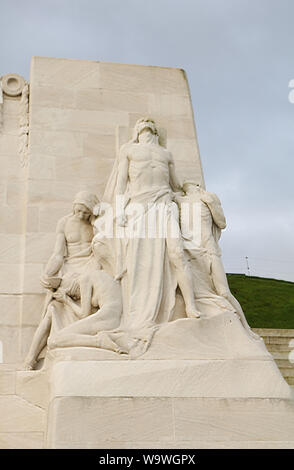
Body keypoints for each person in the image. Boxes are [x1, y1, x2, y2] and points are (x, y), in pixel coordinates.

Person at [103, 117, 200, 334]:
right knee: (138, 259)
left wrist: (193, 191)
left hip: (164, 204)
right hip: (139, 205)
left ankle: (191, 304)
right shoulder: (128, 150)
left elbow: (175, 183)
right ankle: (138, 310)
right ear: (137, 131)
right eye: (141, 123)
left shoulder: (166, 154)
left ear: (155, 131)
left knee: (177, 252)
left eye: (148, 122)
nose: (145, 123)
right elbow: (120, 182)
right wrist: (118, 210)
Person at [24, 191, 99, 369]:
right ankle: (31, 358)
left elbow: (101, 252)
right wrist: (48, 274)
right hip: (69, 270)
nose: (81, 215)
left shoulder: (96, 225)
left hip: (89, 272)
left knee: (61, 309)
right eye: (78, 210)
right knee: (52, 310)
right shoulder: (64, 223)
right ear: (74, 206)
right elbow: (58, 254)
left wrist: (87, 276)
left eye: (85, 212)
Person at [180, 182, 260, 339]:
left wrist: (210, 203)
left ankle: (246, 328)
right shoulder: (180, 201)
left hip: (209, 251)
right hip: (190, 255)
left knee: (223, 292)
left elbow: (222, 223)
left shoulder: (207, 198)